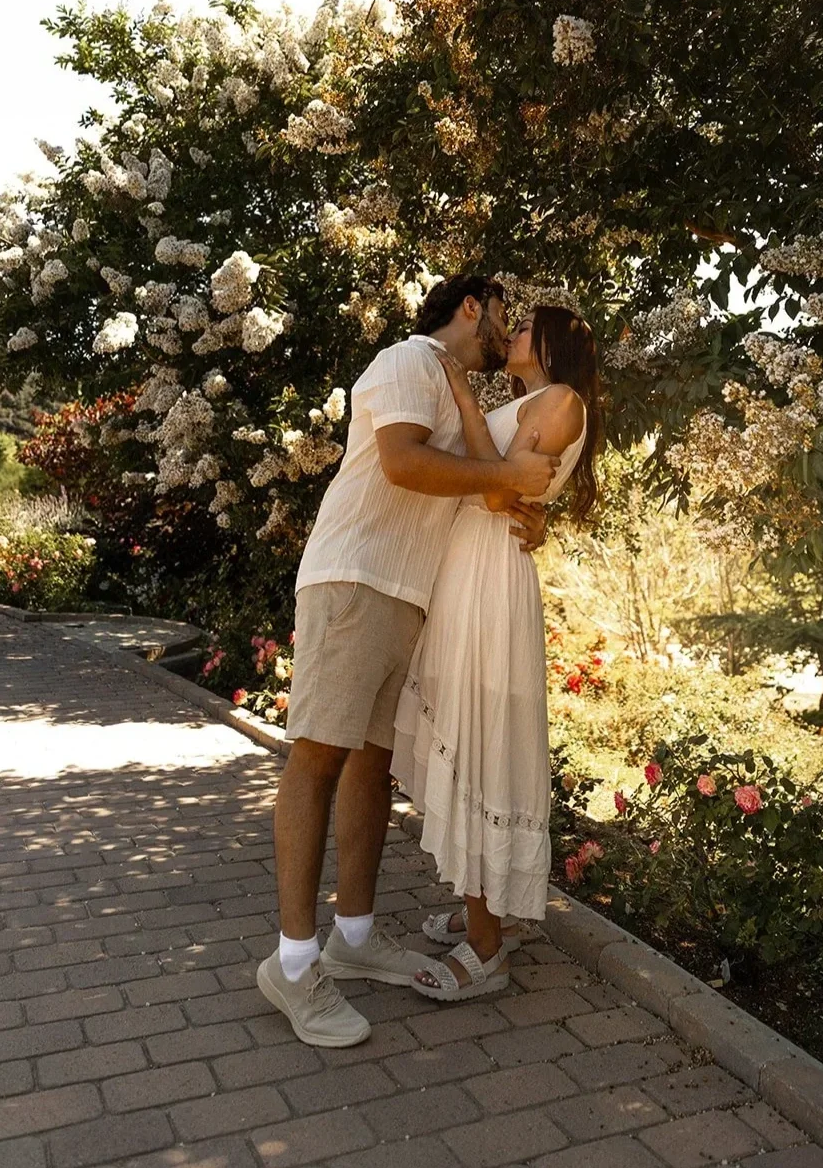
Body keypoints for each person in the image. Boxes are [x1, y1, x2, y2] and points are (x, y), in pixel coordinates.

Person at [256, 273, 561, 1047]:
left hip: (407, 595)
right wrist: (500, 478)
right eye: (502, 312)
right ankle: (292, 965)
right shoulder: (406, 360)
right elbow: (401, 462)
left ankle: (351, 939)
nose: (507, 326)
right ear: (472, 307)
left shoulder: (452, 384)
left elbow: (481, 492)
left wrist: (528, 514)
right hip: (354, 578)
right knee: (317, 757)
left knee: (368, 768)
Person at [390, 305, 603, 1001]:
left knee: (479, 747)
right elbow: (499, 480)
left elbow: (495, 484)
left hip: (490, 579)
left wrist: (460, 397)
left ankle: (485, 949)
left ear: (551, 345)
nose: (509, 335)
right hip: (470, 570)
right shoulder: (525, 403)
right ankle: (491, 911)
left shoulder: (562, 400)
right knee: (472, 739)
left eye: (522, 328)